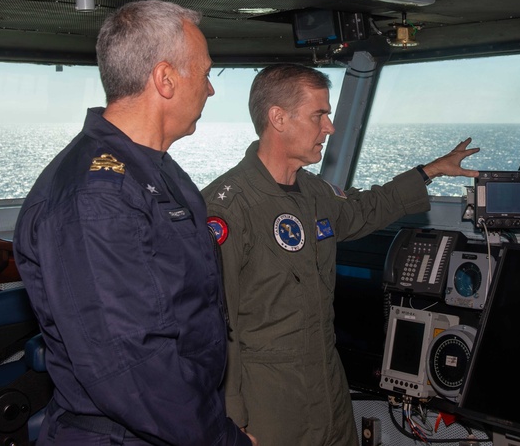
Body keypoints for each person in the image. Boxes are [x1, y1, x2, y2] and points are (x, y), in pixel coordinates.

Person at [14, 0, 255, 446]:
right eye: (204, 75)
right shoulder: (97, 196)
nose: (210, 90)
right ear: (165, 79)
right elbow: (128, 363)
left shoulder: (158, 172)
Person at [202, 63, 479, 446]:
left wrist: (427, 172)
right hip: (268, 398)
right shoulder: (230, 208)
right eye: (319, 115)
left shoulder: (314, 193)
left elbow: (365, 210)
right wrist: (231, 419)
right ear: (278, 118)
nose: (329, 127)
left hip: (327, 382)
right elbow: (216, 324)